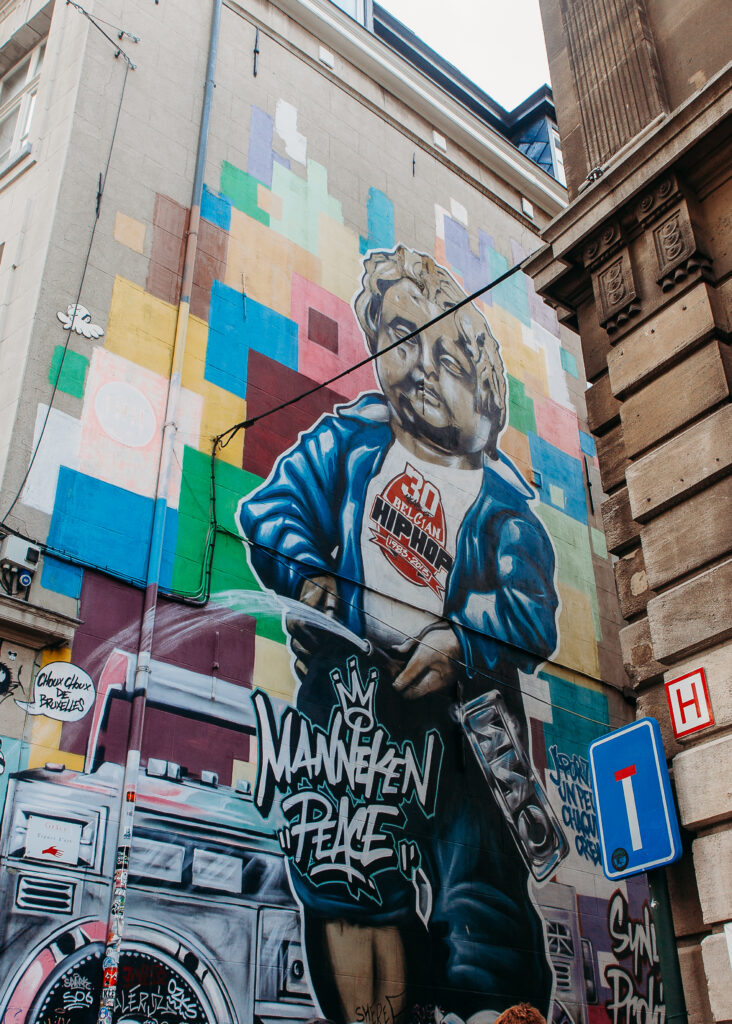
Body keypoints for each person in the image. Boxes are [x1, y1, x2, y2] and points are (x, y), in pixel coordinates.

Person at [239, 246, 559, 1024]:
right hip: (353, 706)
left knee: (478, 891)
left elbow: (532, 615)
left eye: (436, 350)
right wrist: (308, 577)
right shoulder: (349, 442)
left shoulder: (505, 506)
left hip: (459, 725)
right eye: (395, 344)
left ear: (479, 371)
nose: (415, 368)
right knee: (346, 871)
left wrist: (462, 644)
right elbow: (272, 510)